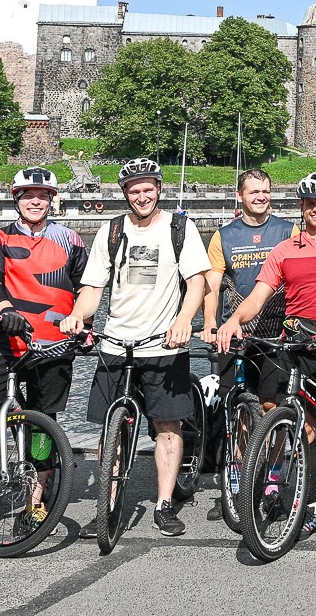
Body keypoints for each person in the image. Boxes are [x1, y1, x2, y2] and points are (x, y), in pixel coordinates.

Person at [219, 172, 316, 550]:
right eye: (310, 204)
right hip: (295, 348)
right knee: (301, 428)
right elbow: (258, 297)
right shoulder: (285, 250)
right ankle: (312, 508)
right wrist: (231, 321)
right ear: (302, 208)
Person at [70, 157, 214, 538]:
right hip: (117, 342)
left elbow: (198, 282)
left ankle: (165, 504)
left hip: (163, 344)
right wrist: (77, 315)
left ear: (158, 189)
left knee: (167, 427)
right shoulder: (112, 231)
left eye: (148, 188)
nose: (142, 196)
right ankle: (109, 502)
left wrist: (184, 320)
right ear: (125, 195)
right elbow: (92, 289)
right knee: (109, 430)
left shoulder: (179, 228)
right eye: (134, 191)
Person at [0, 166, 87, 548]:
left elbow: (86, 287)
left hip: (55, 345)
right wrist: (2, 308)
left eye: (42, 196)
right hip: (6, 342)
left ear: (51, 200)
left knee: (44, 424)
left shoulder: (71, 240)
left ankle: (36, 503)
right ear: (17, 199)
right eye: (28, 195)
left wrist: (85, 324)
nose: (35, 201)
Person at [202, 169, 293, 520]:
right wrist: (209, 323)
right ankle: (237, 483)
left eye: (266, 191)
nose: (260, 196)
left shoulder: (288, 231)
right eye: (253, 191)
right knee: (238, 411)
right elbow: (212, 285)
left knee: (273, 407)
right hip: (234, 331)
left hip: (275, 331)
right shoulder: (224, 235)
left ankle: (271, 482)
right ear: (239, 196)